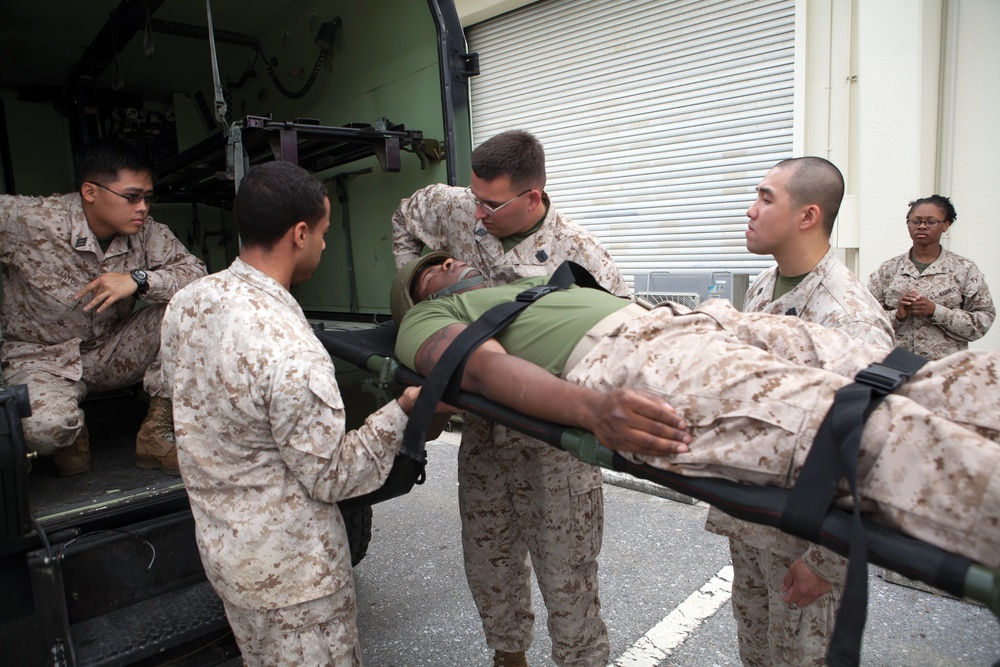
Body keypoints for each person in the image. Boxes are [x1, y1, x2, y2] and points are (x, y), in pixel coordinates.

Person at [391, 254, 1000, 571]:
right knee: (853, 428)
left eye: (444, 259)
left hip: (686, 321)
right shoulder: (428, 320)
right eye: (426, 274)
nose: (443, 265)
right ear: (415, 301)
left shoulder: (530, 283)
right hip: (630, 360)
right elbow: (481, 369)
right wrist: (590, 409)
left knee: (906, 376)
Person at [160, 161, 433, 666]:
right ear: (299, 234)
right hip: (296, 585)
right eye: (325, 233)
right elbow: (333, 476)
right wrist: (403, 411)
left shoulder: (189, 301)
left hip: (229, 557)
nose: (326, 246)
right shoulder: (291, 351)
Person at [392, 129, 629, 667]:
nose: (476, 215)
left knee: (568, 581)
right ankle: (508, 657)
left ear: (533, 198)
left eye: (491, 205)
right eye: (473, 198)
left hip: (554, 448)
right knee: (490, 561)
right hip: (482, 431)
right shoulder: (458, 209)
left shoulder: (583, 257)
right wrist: (411, 295)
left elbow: (615, 349)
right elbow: (406, 215)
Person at [704, 157, 895, 667]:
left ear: (808, 216)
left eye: (766, 198)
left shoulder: (849, 317)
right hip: (753, 517)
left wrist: (828, 561)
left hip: (806, 537)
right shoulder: (766, 286)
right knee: (758, 654)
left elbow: (874, 448)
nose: (750, 210)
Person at [0, 139, 206, 477]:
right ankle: (71, 431)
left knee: (195, 310)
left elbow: (198, 276)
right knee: (46, 431)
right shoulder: (28, 220)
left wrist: (139, 280)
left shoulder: (147, 232)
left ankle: (157, 434)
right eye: (132, 196)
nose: (143, 207)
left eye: (147, 197)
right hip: (41, 359)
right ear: (90, 192)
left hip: (111, 351)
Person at [868, 194, 995, 360]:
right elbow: (867, 321)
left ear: (946, 225)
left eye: (931, 222)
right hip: (897, 369)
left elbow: (982, 322)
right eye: (915, 221)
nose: (922, 226)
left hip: (945, 371)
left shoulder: (964, 269)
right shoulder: (888, 270)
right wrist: (897, 315)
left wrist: (936, 311)